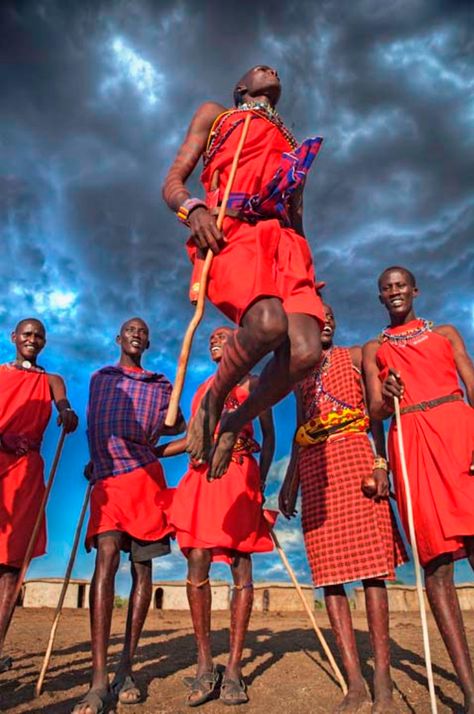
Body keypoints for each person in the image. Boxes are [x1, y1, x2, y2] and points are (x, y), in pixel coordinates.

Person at [162, 65, 325, 479]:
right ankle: (214, 400)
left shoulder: (293, 147)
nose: (270, 70)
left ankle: (235, 422)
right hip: (228, 227)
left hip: (286, 243)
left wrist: (305, 263)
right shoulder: (217, 116)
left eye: (273, 69)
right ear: (241, 88)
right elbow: (173, 182)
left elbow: (295, 212)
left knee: (307, 351)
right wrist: (192, 209)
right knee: (267, 324)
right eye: (258, 69)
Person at [279, 303, 407, 714]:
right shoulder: (299, 374)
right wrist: (289, 482)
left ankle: (383, 683)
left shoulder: (358, 354)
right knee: (329, 577)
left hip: (356, 459)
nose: (327, 322)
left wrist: (381, 463)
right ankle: (355, 683)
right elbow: (300, 433)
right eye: (319, 318)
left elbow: (376, 415)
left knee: (372, 573)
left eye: (332, 317)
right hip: (316, 469)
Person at [363, 266, 474, 714]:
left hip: (457, 431)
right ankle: (469, 690)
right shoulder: (376, 347)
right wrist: (386, 392)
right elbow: (374, 412)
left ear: (414, 289)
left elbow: (471, 381)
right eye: (386, 288)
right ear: (380, 297)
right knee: (437, 564)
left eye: (400, 285)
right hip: (409, 442)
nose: (394, 292)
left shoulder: (445, 333)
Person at [157, 325, 276, 707]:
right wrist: (152, 451)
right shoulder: (202, 389)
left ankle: (236, 668)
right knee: (197, 558)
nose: (214, 340)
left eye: (223, 336)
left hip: (240, 473)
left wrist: (263, 483)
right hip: (202, 476)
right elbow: (193, 438)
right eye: (211, 338)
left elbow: (269, 437)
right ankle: (205, 664)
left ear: (239, 345)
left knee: (242, 563)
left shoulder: (256, 382)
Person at [72, 318, 185, 714]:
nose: (136, 334)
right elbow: (99, 429)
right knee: (105, 561)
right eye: (129, 330)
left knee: (143, 572)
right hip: (108, 482)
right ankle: (98, 680)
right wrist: (97, 459)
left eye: (143, 330)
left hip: (146, 482)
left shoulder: (160, 386)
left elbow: (179, 425)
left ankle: (126, 669)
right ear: (118, 338)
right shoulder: (101, 379)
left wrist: (162, 430)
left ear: (148, 341)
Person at [0, 318, 78, 672]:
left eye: (39, 335)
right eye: (27, 334)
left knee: (12, 568)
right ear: (14, 338)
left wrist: (68, 413)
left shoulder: (51, 380)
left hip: (27, 474)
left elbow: (62, 404)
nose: (32, 339)